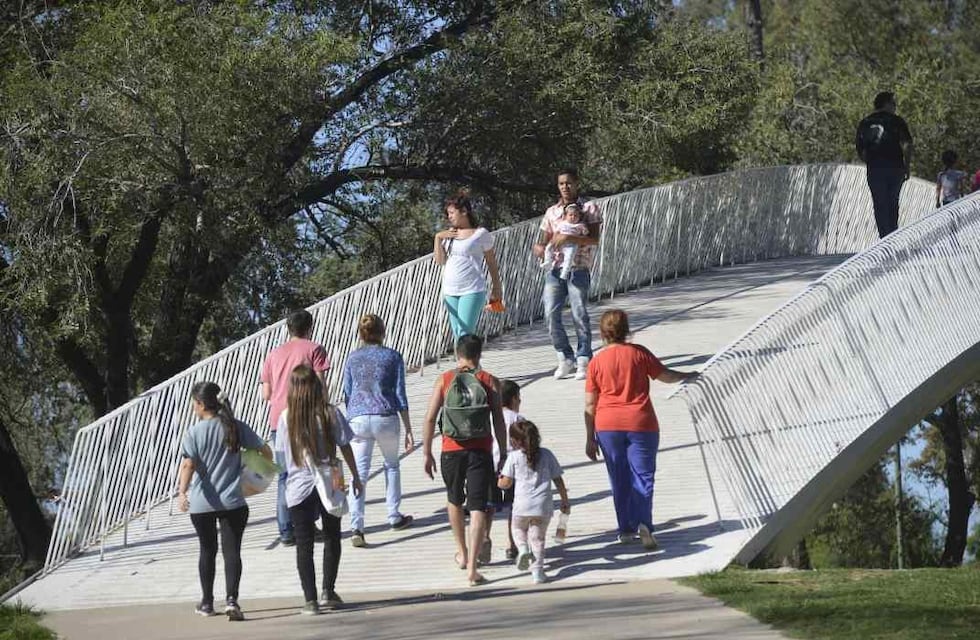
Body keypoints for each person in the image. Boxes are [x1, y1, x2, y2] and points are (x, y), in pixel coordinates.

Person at [583, 310, 698, 550]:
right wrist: (688, 375)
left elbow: (590, 404)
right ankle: (644, 523)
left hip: (607, 426)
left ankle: (625, 529)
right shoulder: (639, 354)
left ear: (602, 333)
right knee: (643, 476)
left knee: (619, 478)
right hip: (641, 423)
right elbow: (664, 375)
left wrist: (589, 439)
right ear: (627, 330)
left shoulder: (596, 362)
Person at [178, 382, 271, 621]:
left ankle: (207, 603)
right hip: (234, 502)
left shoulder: (193, 433)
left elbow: (188, 464)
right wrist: (255, 474)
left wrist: (182, 493)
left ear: (200, 404)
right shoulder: (235, 427)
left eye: (193, 403)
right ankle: (232, 600)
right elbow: (266, 451)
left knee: (207, 551)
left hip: (202, 503)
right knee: (232, 552)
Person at [275, 365, 362, 615]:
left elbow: (281, 459)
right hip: (330, 478)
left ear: (292, 388)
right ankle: (328, 590)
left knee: (304, 544)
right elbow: (345, 445)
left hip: (298, 485)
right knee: (333, 535)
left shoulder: (284, 418)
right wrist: (355, 476)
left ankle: (310, 601)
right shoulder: (330, 413)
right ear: (315, 385)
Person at [422, 334, 507, 586]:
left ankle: (462, 553)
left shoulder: (445, 379)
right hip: (480, 449)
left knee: (454, 499)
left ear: (457, 353)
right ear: (479, 354)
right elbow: (499, 421)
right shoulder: (489, 380)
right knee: (478, 506)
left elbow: (429, 418)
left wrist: (427, 452)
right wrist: (502, 451)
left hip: (450, 449)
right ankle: (473, 569)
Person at [342, 313, 415, 547]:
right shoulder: (393, 356)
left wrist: (353, 413)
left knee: (359, 473)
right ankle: (394, 515)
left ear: (361, 334)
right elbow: (400, 393)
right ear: (383, 331)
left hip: (358, 418)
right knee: (391, 465)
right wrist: (408, 427)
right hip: (385, 416)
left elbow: (347, 392)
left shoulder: (352, 358)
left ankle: (357, 526)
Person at [260, 309, 330, 546]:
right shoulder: (314, 349)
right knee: (309, 470)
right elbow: (321, 385)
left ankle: (286, 531)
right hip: (306, 416)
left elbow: (265, 394)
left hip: (278, 420)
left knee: (284, 476)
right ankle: (308, 525)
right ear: (309, 327)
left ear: (288, 328)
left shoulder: (273, 354)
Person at [532, 168, 603, 381]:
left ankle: (584, 358)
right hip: (555, 268)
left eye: (569, 183)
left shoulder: (589, 208)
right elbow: (544, 239)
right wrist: (538, 247)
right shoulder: (552, 212)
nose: (565, 187)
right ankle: (565, 356)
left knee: (579, 313)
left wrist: (570, 240)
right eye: (561, 183)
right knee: (550, 313)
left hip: (578, 268)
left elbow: (594, 239)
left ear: (577, 183)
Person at [498, 419, 569, 584]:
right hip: (543, 506)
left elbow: (505, 483)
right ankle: (538, 573)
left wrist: (499, 480)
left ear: (514, 441)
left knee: (517, 529)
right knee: (538, 539)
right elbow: (558, 479)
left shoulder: (514, 457)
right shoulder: (547, 454)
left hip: (522, 506)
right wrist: (564, 499)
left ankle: (522, 549)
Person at [433, 191, 503, 338]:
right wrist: (438, 238)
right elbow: (440, 261)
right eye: (448, 213)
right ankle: (471, 361)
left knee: (464, 334)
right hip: (450, 290)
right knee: (458, 334)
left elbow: (491, 262)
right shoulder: (449, 235)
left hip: (472, 289)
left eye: (452, 213)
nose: (449, 217)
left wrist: (497, 288)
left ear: (464, 211)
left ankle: (468, 361)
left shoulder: (480, 233)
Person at [855, 91, 914, 238]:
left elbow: (860, 149)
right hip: (895, 166)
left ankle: (884, 239)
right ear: (886, 104)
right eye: (893, 103)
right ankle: (892, 237)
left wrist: (871, 162)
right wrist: (907, 165)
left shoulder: (865, 122)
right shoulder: (897, 121)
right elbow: (907, 144)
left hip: (876, 168)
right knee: (892, 202)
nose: (895, 107)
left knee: (880, 203)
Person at [498, 379, 525, 560]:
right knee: (514, 507)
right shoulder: (517, 419)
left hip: (491, 465)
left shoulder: (490, 416)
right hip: (512, 468)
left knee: (488, 508)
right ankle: (511, 543)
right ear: (514, 399)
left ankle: (484, 538)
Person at [540, 202, 590, 280]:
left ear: (579, 217)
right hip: (559, 243)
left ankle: (565, 272)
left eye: (575, 215)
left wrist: (584, 232)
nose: (573, 217)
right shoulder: (562, 224)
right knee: (548, 248)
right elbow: (556, 232)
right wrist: (553, 241)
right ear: (566, 216)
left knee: (569, 257)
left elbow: (585, 233)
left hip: (571, 245)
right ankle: (548, 261)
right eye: (570, 215)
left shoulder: (579, 225)